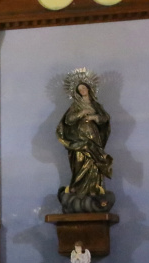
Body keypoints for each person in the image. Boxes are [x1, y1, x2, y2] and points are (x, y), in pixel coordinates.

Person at [56, 70, 114, 213]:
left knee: (93, 164)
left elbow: (105, 118)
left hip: (93, 138)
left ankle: (93, 189)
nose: (82, 90)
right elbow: (68, 120)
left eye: (84, 87)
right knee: (79, 162)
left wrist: (95, 117)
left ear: (89, 88)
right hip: (79, 140)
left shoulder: (96, 105)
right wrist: (81, 113)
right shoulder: (76, 106)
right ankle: (77, 188)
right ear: (77, 92)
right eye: (79, 89)